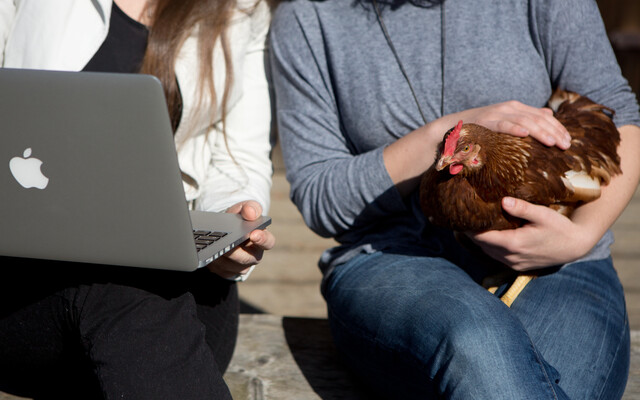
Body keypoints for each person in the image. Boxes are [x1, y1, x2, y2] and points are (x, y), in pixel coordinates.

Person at [269, 0, 640, 398]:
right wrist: (445, 134)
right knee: (479, 344)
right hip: (395, 257)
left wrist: (580, 236)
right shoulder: (310, 18)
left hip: (559, 254)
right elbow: (321, 197)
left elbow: (617, 113)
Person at [0, 0, 275, 398]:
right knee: (129, 289)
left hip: (175, 290)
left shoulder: (240, 9)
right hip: (26, 291)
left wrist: (233, 218)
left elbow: (238, 156)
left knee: (137, 281)